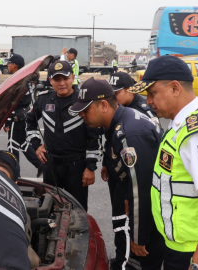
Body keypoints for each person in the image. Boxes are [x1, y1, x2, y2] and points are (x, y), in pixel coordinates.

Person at [131, 55, 198, 270]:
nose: (149, 101)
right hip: (184, 246)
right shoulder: (180, 125)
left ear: (174, 88)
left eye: (152, 93)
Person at [69, 78, 165, 270]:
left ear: (104, 105)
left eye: (85, 110)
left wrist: (138, 238)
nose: (82, 115)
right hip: (148, 209)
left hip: (151, 216)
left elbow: (141, 191)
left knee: (140, 264)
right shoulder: (121, 119)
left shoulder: (129, 134)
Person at [26, 60, 100, 211]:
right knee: (50, 208)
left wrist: (90, 167)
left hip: (76, 166)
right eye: (57, 79)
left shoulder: (83, 101)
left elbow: (94, 136)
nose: (61, 83)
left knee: (77, 209)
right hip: (51, 165)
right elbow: (30, 122)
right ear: (50, 80)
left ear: (73, 78)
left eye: (65, 78)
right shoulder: (43, 99)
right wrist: (36, 145)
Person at [3, 54, 44, 177]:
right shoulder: (26, 78)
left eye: (9, 64)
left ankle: (15, 175)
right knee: (23, 144)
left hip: (16, 117)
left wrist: (7, 121)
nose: (7, 66)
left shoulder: (17, 80)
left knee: (12, 145)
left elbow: (12, 103)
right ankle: (40, 164)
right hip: (24, 116)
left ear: (14, 65)